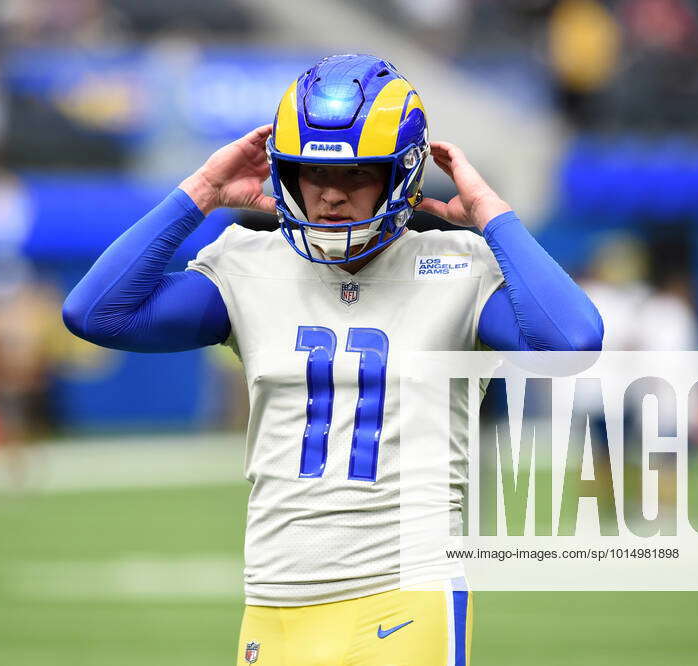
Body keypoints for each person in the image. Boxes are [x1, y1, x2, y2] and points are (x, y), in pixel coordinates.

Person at [63, 54, 603, 666]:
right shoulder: (248, 263)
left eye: (355, 176)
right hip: (274, 600)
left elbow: (572, 343)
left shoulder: (458, 265)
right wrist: (200, 193)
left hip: (407, 593)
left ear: (402, 174)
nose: (328, 196)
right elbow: (95, 313)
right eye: (311, 172)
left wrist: (492, 216)